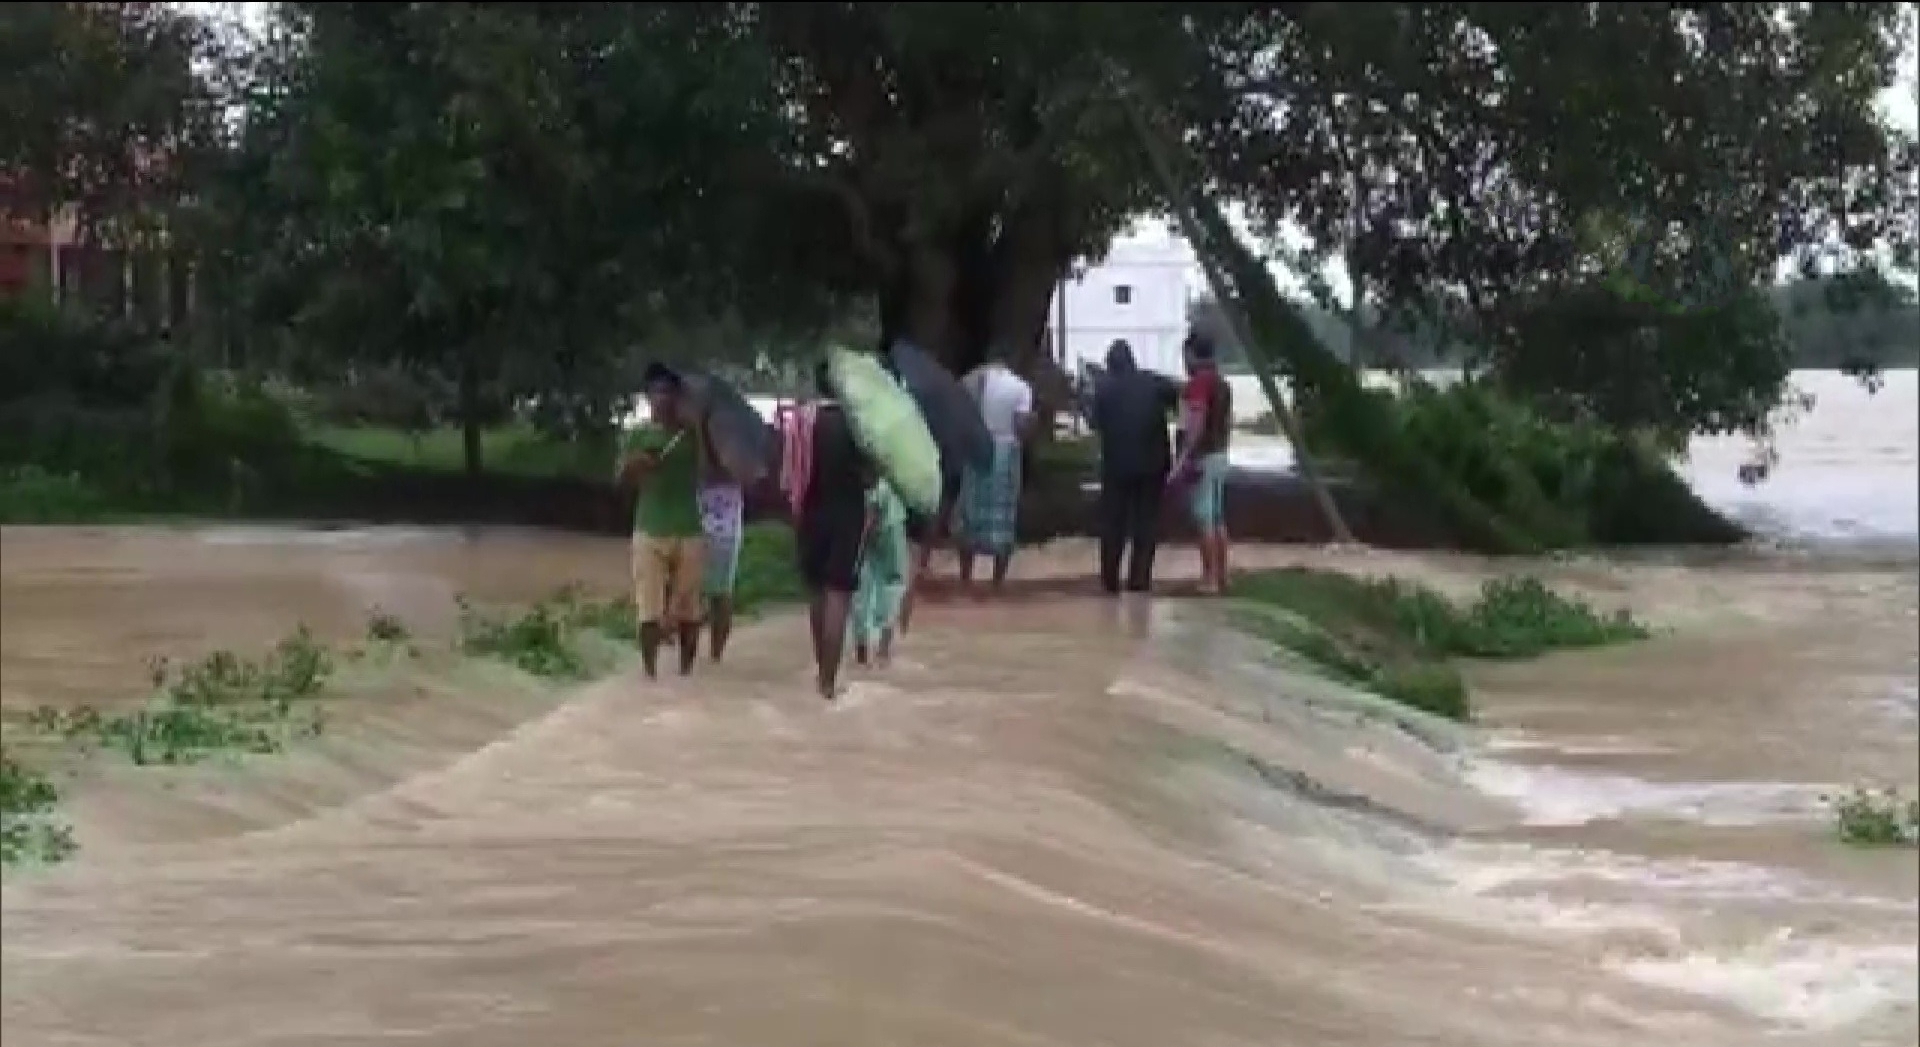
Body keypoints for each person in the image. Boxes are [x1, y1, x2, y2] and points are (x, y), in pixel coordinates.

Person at [614, 364, 706, 678]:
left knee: (689, 610)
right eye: (655, 392)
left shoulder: (692, 434)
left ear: (678, 397)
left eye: (668, 392)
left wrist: (697, 429)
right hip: (649, 527)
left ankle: (686, 673)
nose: (661, 398)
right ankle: (650, 674)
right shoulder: (638, 435)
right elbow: (621, 481)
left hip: (689, 527)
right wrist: (636, 466)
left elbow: (712, 471)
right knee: (648, 609)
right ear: (647, 396)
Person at [795, 359, 876, 700]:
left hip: (808, 513)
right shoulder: (858, 424)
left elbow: (787, 473)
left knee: (816, 591)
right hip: (848, 514)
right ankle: (829, 683)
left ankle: (820, 672)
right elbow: (872, 475)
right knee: (838, 594)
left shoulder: (801, 420)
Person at [1090, 339, 1179, 595]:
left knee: (1113, 522)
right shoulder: (1153, 382)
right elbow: (1177, 398)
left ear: (1110, 366)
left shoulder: (1104, 390)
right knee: (1146, 522)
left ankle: (1110, 581)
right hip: (1153, 464)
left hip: (1117, 464)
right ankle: (1139, 581)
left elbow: (1096, 424)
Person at [956, 348, 1034, 593]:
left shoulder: (973, 381)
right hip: (1006, 451)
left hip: (977, 447)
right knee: (1003, 516)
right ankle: (997, 582)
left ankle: (965, 578)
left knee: (970, 512)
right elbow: (1021, 426)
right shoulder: (1021, 388)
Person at [1173, 328, 1235, 595]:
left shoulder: (1199, 383)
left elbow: (1196, 421)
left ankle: (1208, 578)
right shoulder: (1223, 383)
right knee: (1218, 518)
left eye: (1185, 355)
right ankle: (1222, 576)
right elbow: (1228, 422)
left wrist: (1184, 456)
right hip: (1221, 454)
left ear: (1192, 354)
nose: (1184, 361)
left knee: (1204, 519)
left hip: (1203, 458)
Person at [851, 477, 910, 667]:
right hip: (890, 524)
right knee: (891, 585)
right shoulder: (882, 465)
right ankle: (880, 650)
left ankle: (865, 650)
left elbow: (870, 517)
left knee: (861, 584)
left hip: (879, 522)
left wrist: (858, 553)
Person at [696, 443, 744, 663]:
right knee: (722, 593)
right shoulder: (739, 450)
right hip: (728, 529)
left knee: (697, 592)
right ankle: (716, 652)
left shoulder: (700, 446)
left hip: (700, 525)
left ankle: (695, 650)